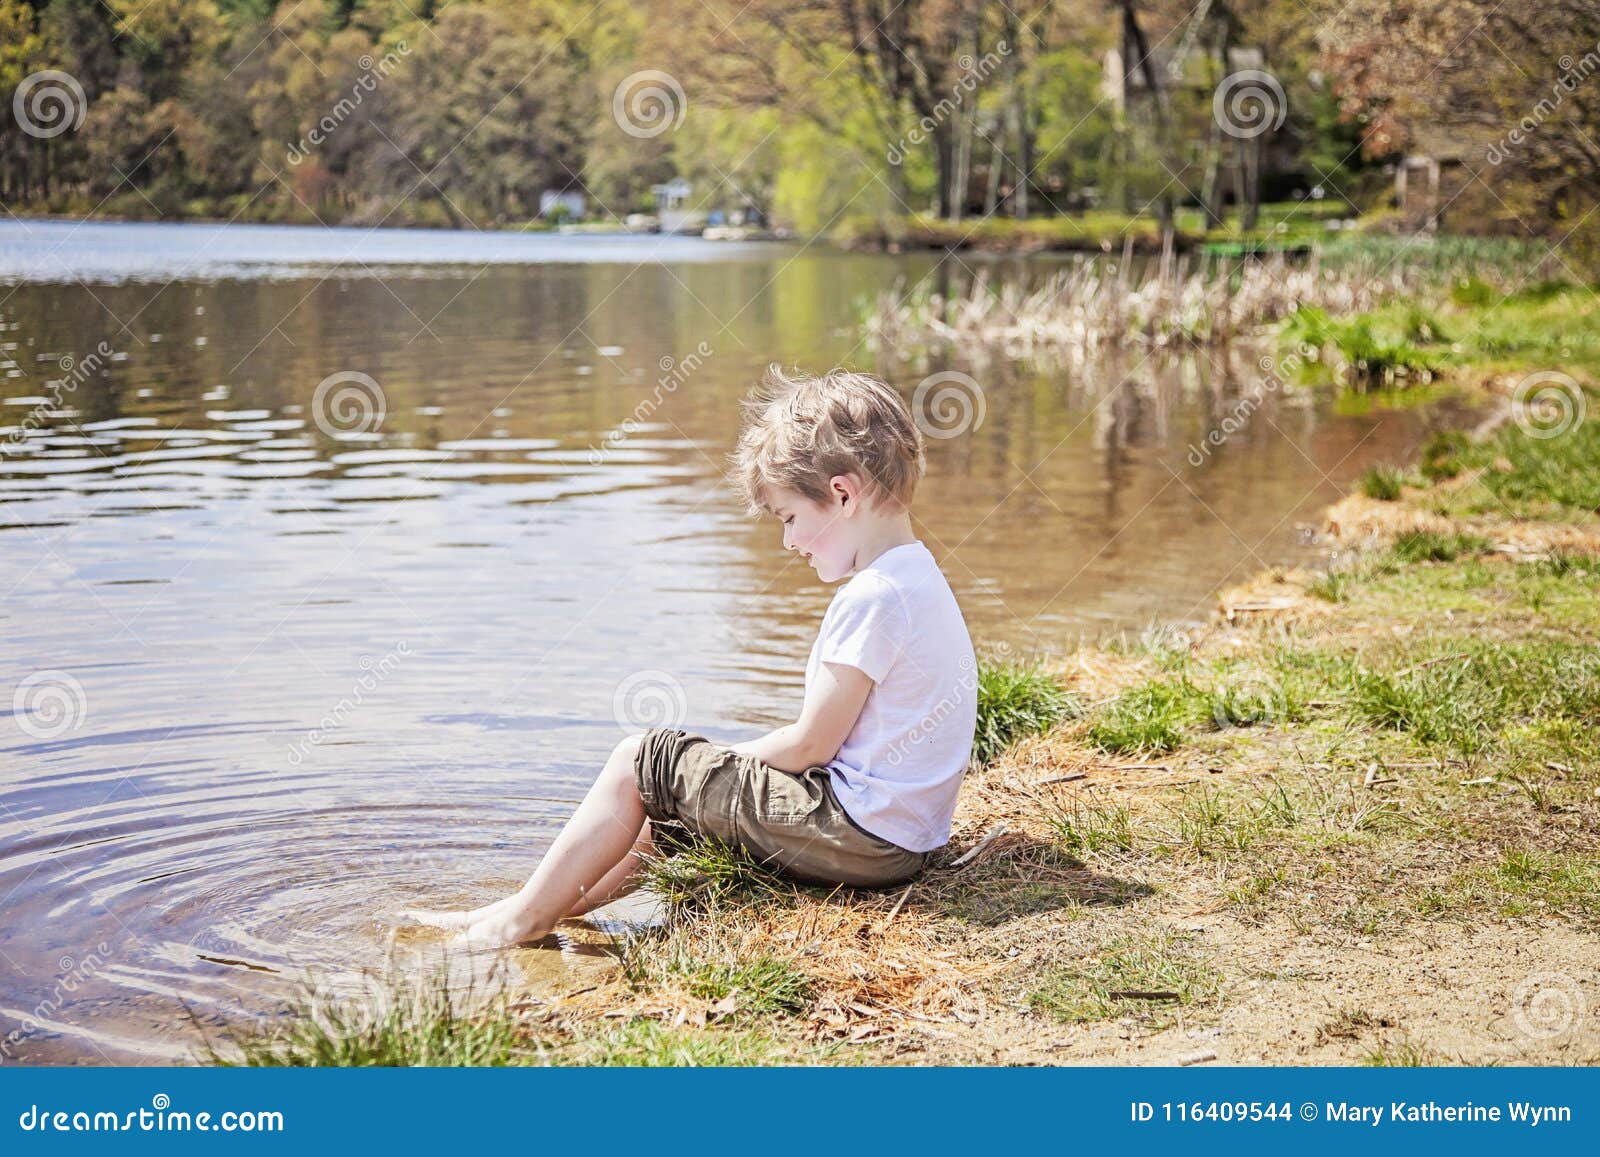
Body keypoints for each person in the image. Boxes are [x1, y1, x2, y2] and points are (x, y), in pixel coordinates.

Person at [403, 366, 978, 946]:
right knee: (674, 809)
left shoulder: (873, 596)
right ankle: (541, 912)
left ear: (842, 493)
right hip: (901, 838)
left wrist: (711, 759)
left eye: (790, 518)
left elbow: (811, 745)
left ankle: (519, 921)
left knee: (640, 761)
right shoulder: (917, 577)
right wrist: (702, 778)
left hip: (861, 837)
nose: (789, 542)